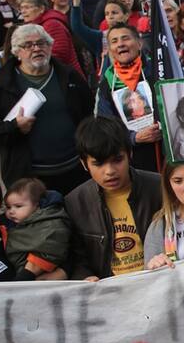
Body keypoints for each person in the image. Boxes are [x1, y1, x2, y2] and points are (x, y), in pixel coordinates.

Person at [0, 23, 94, 193]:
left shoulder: (69, 76)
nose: (36, 48)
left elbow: (89, 115)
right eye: (28, 45)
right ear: (17, 51)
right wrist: (14, 127)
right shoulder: (0, 86)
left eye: (42, 43)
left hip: (76, 169)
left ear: (50, 46)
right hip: (29, 178)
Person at [65, 117, 163, 280]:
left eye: (117, 160)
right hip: (108, 292)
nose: (109, 171)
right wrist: (86, 276)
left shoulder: (158, 188)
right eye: (98, 164)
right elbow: (76, 258)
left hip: (156, 281)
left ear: (129, 154)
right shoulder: (75, 203)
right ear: (84, 164)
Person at [96, 22, 161, 171]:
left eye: (125, 38)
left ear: (139, 43)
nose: (120, 44)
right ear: (111, 51)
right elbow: (106, 126)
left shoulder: (158, 70)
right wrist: (134, 138)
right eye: (114, 41)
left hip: (166, 154)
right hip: (134, 162)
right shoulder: (107, 83)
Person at [2, 177, 71, 279]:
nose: (11, 211)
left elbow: (51, 246)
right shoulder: (10, 224)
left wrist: (25, 276)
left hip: (41, 275)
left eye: (18, 206)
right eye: (8, 207)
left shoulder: (50, 222)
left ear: (36, 206)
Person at [17, 0, 83, 79]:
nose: (23, 11)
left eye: (27, 7)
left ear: (41, 9)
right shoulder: (32, 26)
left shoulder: (51, 24)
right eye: (21, 8)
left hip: (66, 77)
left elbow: (60, 54)